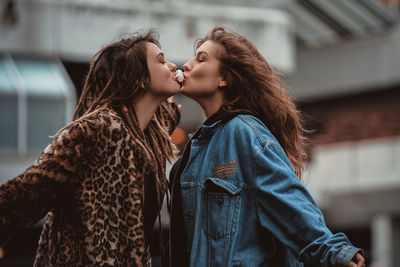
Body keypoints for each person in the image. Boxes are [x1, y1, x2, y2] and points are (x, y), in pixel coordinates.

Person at [169, 26, 365, 267]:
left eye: (201, 59)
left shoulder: (245, 132)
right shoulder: (198, 146)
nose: (187, 65)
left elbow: (288, 201)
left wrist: (334, 252)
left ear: (224, 78)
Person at [0, 30, 181, 266]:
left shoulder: (151, 135)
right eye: (161, 60)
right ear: (140, 79)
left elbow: (171, 111)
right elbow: (21, 196)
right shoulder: (94, 131)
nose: (173, 65)